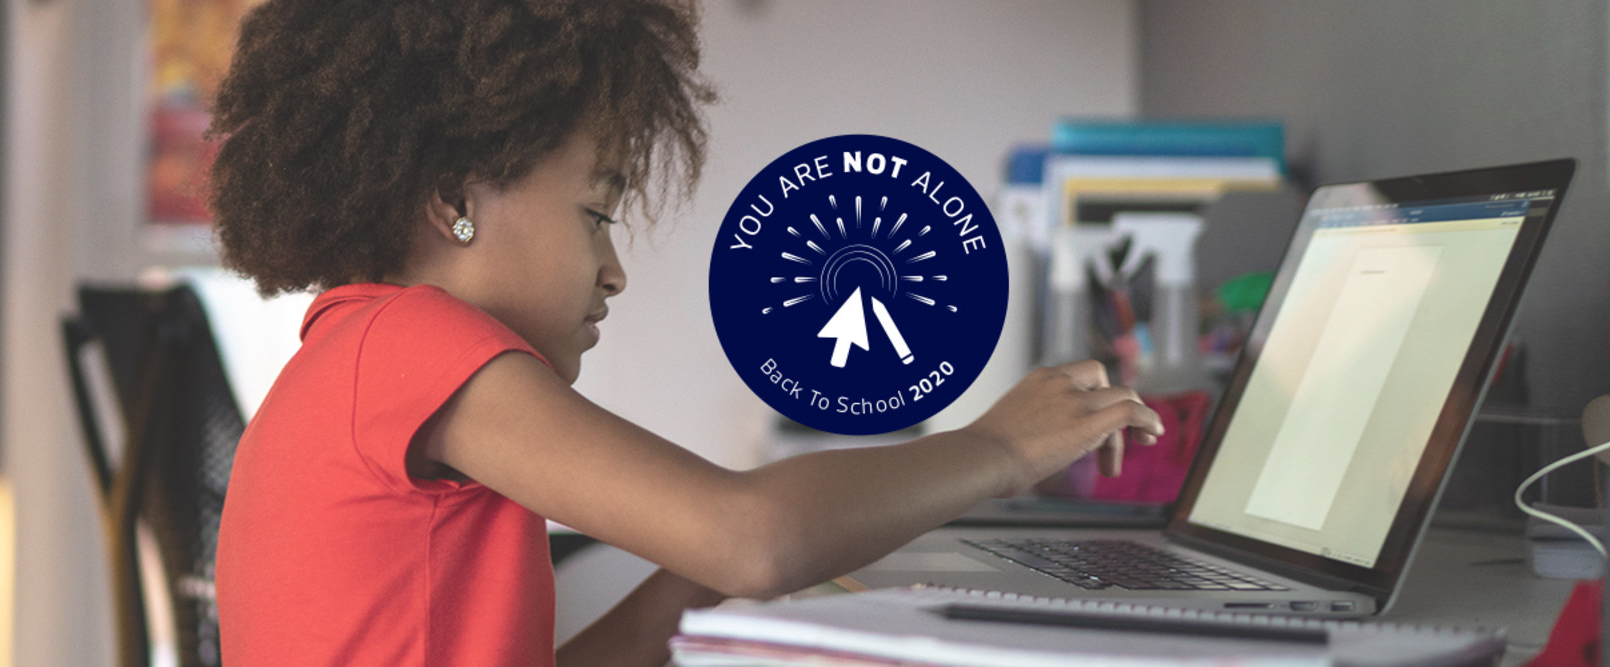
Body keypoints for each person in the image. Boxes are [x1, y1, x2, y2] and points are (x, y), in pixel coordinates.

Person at [207, 1, 1162, 665]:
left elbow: (722, 560)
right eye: (597, 213)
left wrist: (688, 584)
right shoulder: (411, 343)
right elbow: (753, 538)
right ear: (455, 196)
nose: (615, 269)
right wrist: (999, 446)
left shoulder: (355, 356)